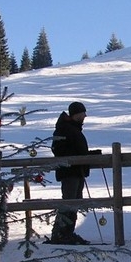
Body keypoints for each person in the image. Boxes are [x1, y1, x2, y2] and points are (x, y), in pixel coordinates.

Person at [49, 102, 99, 245]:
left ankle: (67, 233)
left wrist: (90, 155)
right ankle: (60, 234)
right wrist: (78, 158)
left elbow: (75, 149)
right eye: (83, 113)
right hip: (69, 171)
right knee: (69, 201)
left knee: (75, 201)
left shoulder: (72, 129)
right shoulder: (65, 129)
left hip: (77, 170)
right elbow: (59, 149)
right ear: (76, 114)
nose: (85, 116)